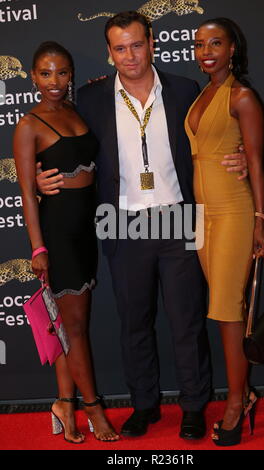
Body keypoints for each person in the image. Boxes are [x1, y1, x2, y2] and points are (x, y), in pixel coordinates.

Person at [36, 11, 248, 440]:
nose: (129, 56)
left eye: (136, 45)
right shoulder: (92, 101)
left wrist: (241, 153)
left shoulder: (186, 90)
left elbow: (217, 134)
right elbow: (65, 145)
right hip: (122, 221)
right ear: (109, 52)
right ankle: (144, 405)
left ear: (151, 42)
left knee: (186, 321)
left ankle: (192, 406)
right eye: (120, 48)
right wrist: (43, 177)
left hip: (178, 218)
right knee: (135, 323)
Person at [13, 41, 119, 443]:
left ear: (70, 73)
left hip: (86, 230)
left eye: (61, 72)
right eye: (45, 73)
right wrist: (38, 249)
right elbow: (26, 192)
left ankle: (64, 404)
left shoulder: (76, 109)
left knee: (67, 327)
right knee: (75, 327)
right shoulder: (28, 125)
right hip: (57, 233)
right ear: (32, 77)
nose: (54, 81)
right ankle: (94, 409)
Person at [184, 17, 264, 446]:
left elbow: (255, 161)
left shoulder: (242, 97)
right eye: (199, 45)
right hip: (201, 218)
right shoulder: (204, 93)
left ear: (233, 47)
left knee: (226, 309)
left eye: (215, 43)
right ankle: (242, 392)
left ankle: (238, 401)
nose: (206, 52)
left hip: (235, 213)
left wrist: (261, 221)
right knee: (222, 310)